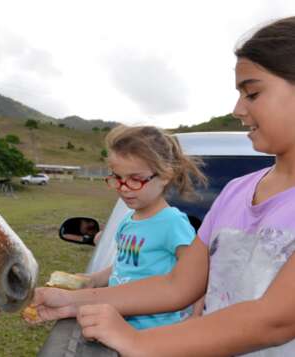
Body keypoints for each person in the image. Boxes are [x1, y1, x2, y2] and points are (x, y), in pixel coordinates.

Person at [26, 16, 295, 356]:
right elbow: (177, 285)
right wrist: (70, 301)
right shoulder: (235, 192)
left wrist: (139, 342)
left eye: (252, 93)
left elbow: (276, 319)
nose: (238, 109)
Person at [68, 125, 207, 330]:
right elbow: (124, 268)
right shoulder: (127, 220)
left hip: (155, 333)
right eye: (118, 178)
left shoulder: (173, 223)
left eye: (135, 179)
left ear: (165, 175)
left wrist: (196, 317)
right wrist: (94, 280)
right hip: (118, 326)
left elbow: (197, 275)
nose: (124, 188)